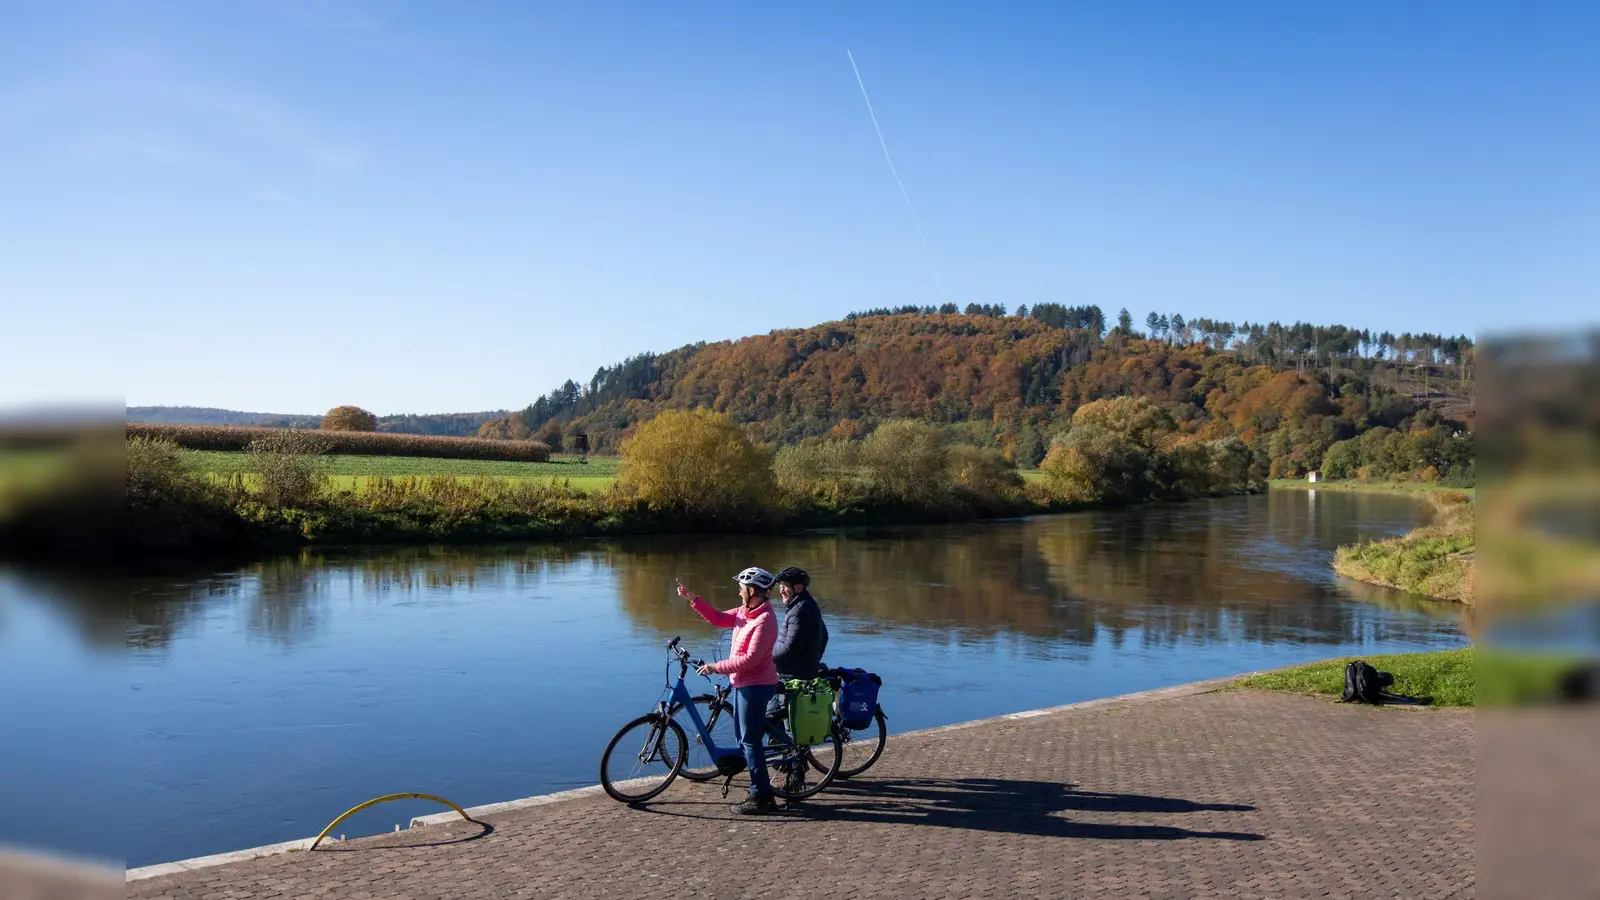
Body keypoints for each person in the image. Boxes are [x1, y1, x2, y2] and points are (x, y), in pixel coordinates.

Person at [678, 567, 780, 815]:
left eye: (742, 587)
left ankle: (760, 798)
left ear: (752, 591)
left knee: (750, 741)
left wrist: (716, 667)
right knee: (744, 739)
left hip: (756, 685)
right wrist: (693, 599)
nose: (738, 590)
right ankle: (764, 793)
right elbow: (717, 618)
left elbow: (750, 660)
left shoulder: (765, 620)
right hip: (741, 683)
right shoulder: (745, 613)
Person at [766, 566, 830, 733]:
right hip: (794, 672)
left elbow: (789, 648)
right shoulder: (804, 605)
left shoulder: (800, 610)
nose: (780, 590)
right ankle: (786, 750)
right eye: (779, 586)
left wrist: (766, 658)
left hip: (792, 677)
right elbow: (824, 636)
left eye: (785, 586)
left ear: (798, 587)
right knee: (777, 721)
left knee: (773, 719)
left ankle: (793, 756)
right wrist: (812, 659)